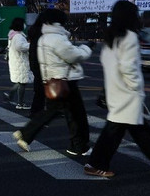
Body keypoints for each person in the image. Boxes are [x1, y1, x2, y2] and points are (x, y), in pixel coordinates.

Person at [84, 0, 150, 178]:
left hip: (115, 90)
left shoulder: (111, 37)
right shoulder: (129, 37)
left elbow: (107, 63)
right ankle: (95, 163)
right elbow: (129, 67)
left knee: (132, 127)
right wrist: (136, 86)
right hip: (127, 91)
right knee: (122, 130)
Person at [12, 9, 92, 156]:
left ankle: (77, 146)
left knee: (63, 112)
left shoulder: (43, 37)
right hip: (66, 80)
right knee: (76, 115)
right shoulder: (56, 38)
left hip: (52, 80)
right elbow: (73, 56)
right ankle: (78, 146)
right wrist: (87, 48)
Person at [3, 17, 32, 110]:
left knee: (20, 81)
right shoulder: (18, 36)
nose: (25, 25)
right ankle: (20, 103)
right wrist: (31, 45)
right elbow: (20, 47)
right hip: (20, 61)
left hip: (16, 61)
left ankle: (10, 95)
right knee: (22, 82)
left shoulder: (12, 35)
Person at [26, 13, 47, 118]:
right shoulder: (42, 33)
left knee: (40, 90)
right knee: (41, 90)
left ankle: (37, 110)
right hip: (41, 64)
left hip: (35, 63)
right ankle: (36, 111)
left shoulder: (34, 31)